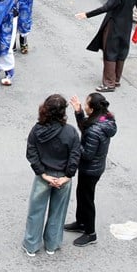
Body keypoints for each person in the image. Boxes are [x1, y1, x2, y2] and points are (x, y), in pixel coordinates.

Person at [22, 94, 81, 257]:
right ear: (63, 112)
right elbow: (75, 155)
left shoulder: (38, 129)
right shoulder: (70, 132)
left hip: (44, 176)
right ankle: (52, 244)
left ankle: (31, 245)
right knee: (58, 212)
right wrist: (67, 176)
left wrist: (42, 173)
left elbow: (31, 151)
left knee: (36, 211)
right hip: (63, 177)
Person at [75, 0, 137, 92]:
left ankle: (109, 83)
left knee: (110, 52)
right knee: (121, 51)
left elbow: (106, 7)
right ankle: (116, 79)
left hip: (114, 24)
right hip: (127, 24)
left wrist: (87, 14)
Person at [62, 92, 117, 248]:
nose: (84, 106)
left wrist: (74, 144)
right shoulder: (103, 120)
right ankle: (81, 222)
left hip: (90, 169)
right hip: (93, 167)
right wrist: (79, 112)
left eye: (86, 105)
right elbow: (85, 127)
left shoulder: (95, 130)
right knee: (81, 194)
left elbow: (86, 153)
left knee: (87, 199)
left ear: (92, 109)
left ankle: (90, 233)